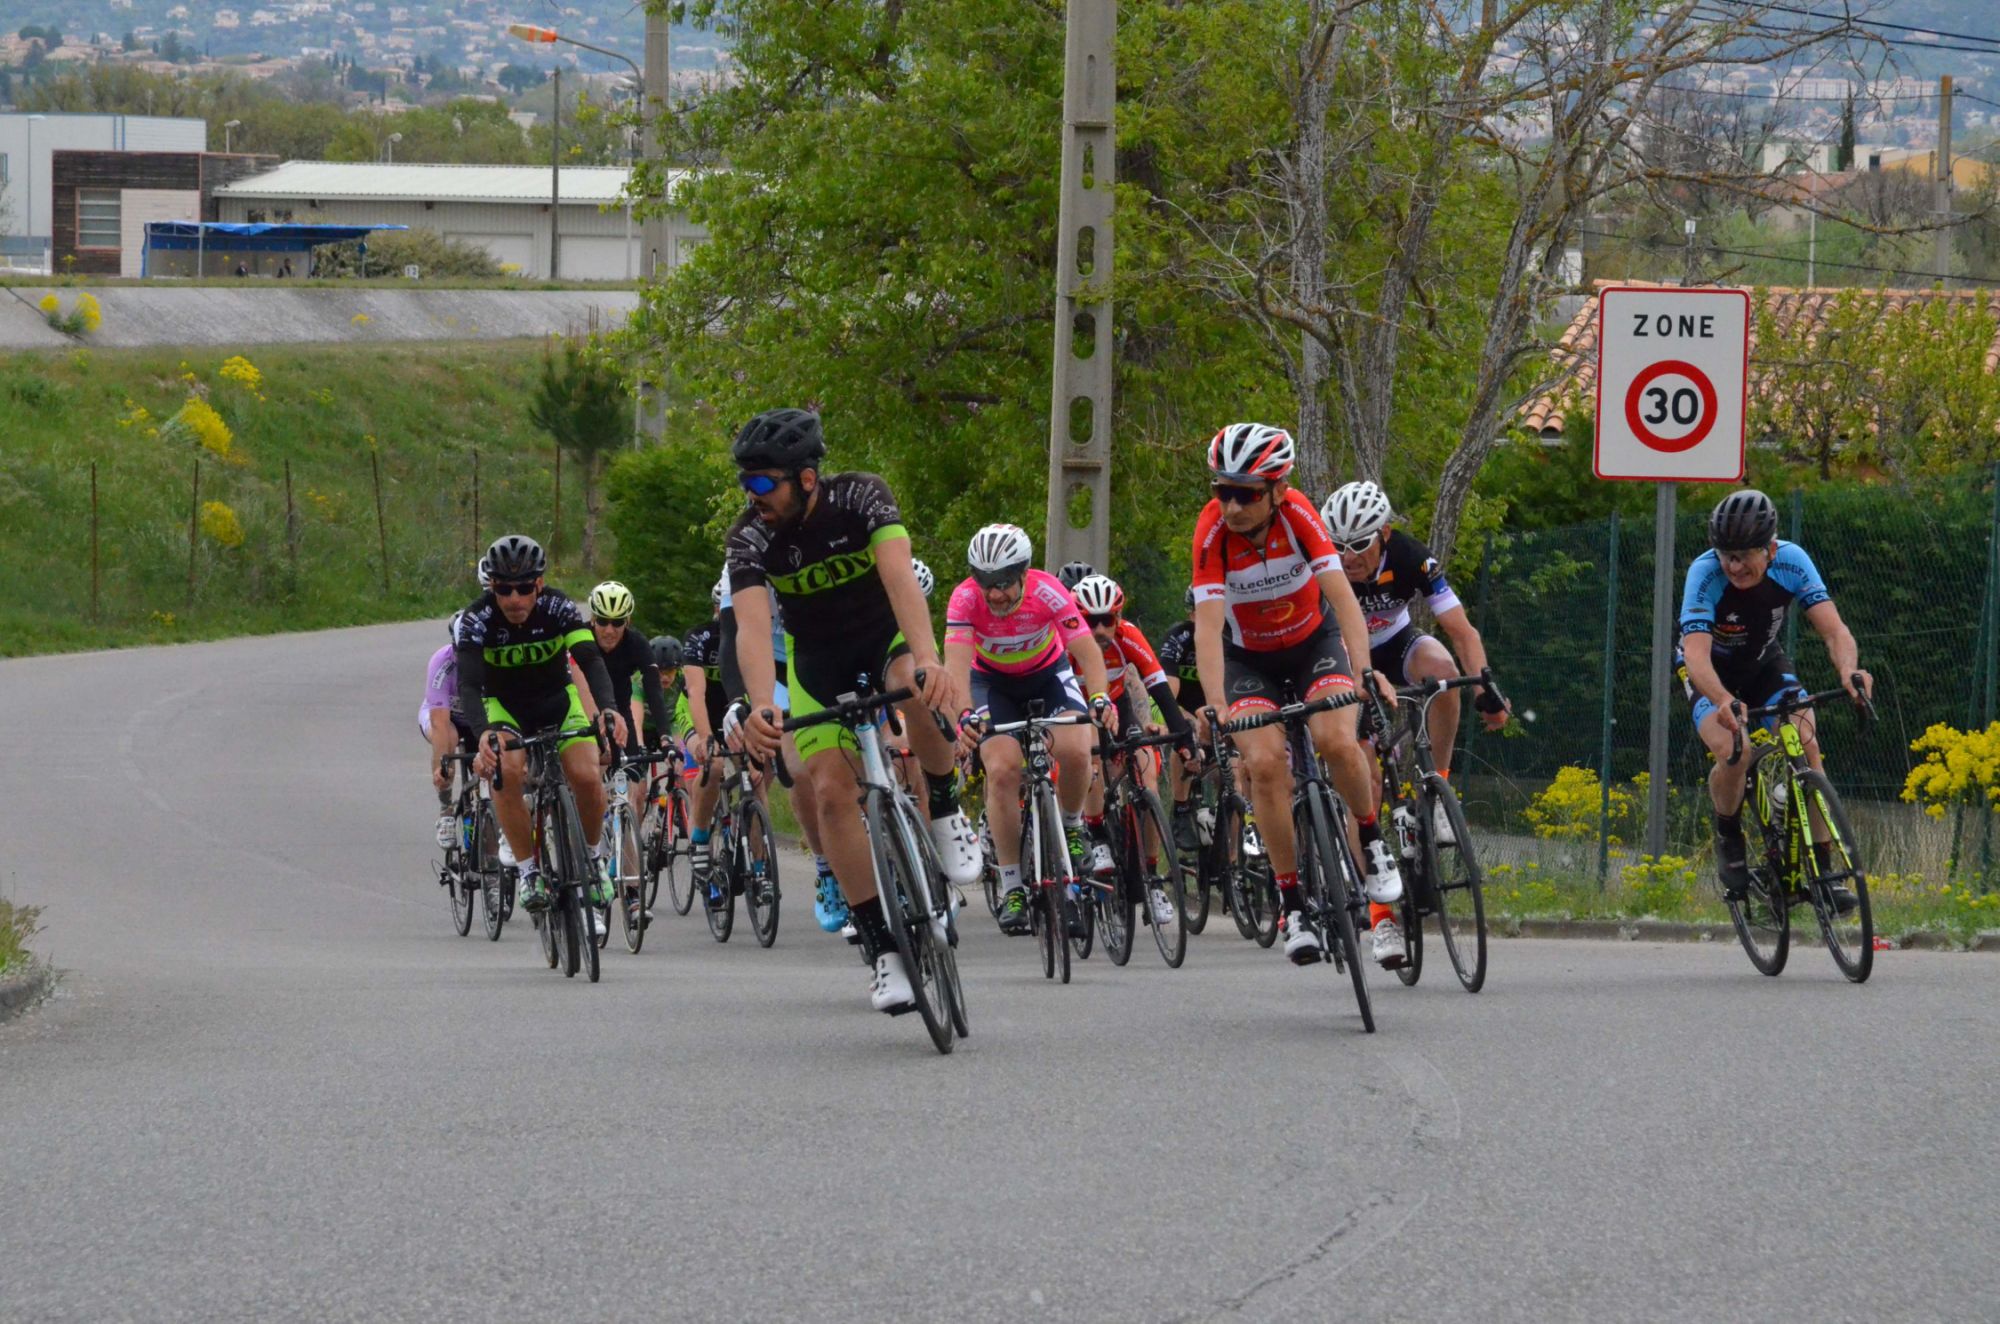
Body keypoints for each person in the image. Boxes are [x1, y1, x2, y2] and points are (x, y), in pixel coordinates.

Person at [727, 408, 979, 1015]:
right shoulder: (749, 536)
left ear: (806, 478)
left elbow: (900, 578)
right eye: (745, 483)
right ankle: (882, 949)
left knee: (914, 685)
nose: (753, 495)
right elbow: (752, 628)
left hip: (881, 638)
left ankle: (946, 809)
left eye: (763, 482)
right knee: (831, 792)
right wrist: (761, 703)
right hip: (817, 663)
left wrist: (928, 657)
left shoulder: (863, 496)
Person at [1189, 423, 1406, 969]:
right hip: (1249, 661)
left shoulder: (1299, 516)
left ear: (1279, 490)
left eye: (1246, 494)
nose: (1232, 506)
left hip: (1315, 644)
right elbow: (1208, 627)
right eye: (1223, 491)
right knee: (1264, 764)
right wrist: (1215, 704)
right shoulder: (1212, 531)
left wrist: (1364, 671)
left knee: (1337, 740)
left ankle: (1372, 840)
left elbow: (1344, 600)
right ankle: (1292, 903)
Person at [1679, 488, 1870, 911]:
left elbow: (1834, 631)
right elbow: (1695, 655)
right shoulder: (1704, 573)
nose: (1733, 566)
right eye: (1726, 555)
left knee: (1806, 742)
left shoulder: (1792, 561)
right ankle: (1729, 834)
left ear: (1769, 549)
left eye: (1744, 555)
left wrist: (1848, 671)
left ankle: (1821, 872)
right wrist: (1723, 699)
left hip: (1763, 663)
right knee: (1735, 749)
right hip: (1710, 673)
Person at [1320, 480, 1509, 889]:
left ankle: (1437, 786)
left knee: (1443, 672)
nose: (1347, 557)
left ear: (1385, 533)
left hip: (1395, 641)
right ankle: (1368, 893)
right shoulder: (1324, 565)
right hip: (1345, 658)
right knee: (1367, 780)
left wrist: (1486, 691)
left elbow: (1462, 631)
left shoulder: (1411, 557)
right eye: (1338, 545)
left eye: (1359, 544)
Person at [944, 523, 1112, 935]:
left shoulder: (1048, 591)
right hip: (992, 685)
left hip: (1047, 676)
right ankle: (1012, 886)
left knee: (1077, 749)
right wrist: (963, 715)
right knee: (1002, 770)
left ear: (1023, 574)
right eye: (986, 582)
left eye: (1004, 582)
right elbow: (956, 669)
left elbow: (1088, 652)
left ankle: (1072, 825)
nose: (995, 594)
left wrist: (1100, 697)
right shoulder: (965, 599)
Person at [456, 534, 625, 918]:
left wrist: (608, 709)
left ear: (540, 584)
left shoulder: (559, 607)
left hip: (557, 702)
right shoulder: (477, 619)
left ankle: (593, 858)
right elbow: (468, 685)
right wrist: (482, 733)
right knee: (506, 771)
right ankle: (529, 870)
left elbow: (590, 659)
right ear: (492, 587)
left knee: (586, 776)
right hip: (506, 708)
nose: (514, 599)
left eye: (524, 588)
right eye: (504, 589)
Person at [1069, 574, 1190, 928]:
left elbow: (1158, 686)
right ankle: (1096, 834)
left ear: (1119, 618)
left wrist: (1182, 736)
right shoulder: (1065, 643)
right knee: (1090, 756)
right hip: (1078, 709)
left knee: (1147, 772)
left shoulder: (1128, 637)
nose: (1099, 629)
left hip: (1118, 706)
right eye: (1091, 621)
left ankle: (1152, 879)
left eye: (1107, 619)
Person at [575, 580, 673, 927]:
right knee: (590, 796)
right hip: (584, 719)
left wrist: (665, 736)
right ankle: (587, 879)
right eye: (602, 621)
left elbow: (653, 692)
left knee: (628, 803)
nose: (609, 630)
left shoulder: (637, 644)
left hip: (620, 722)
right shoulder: (581, 640)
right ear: (593, 619)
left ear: (627, 622)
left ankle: (632, 894)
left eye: (617, 622)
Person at [1155, 588, 1208, 854]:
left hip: (1218, 705)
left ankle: (1234, 858)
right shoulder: (1179, 637)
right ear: (1191, 614)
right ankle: (1181, 807)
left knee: (1233, 771)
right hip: (1183, 705)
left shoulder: (1231, 635)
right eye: (1202, 611)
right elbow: (1169, 692)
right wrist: (1184, 719)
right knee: (1185, 732)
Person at [422, 612, 473, 850]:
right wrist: (444, 766)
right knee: (449, 738)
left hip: (477, 719)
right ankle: (446, 810)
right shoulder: (442, 663)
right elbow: (440, 723)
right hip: (445, 717)